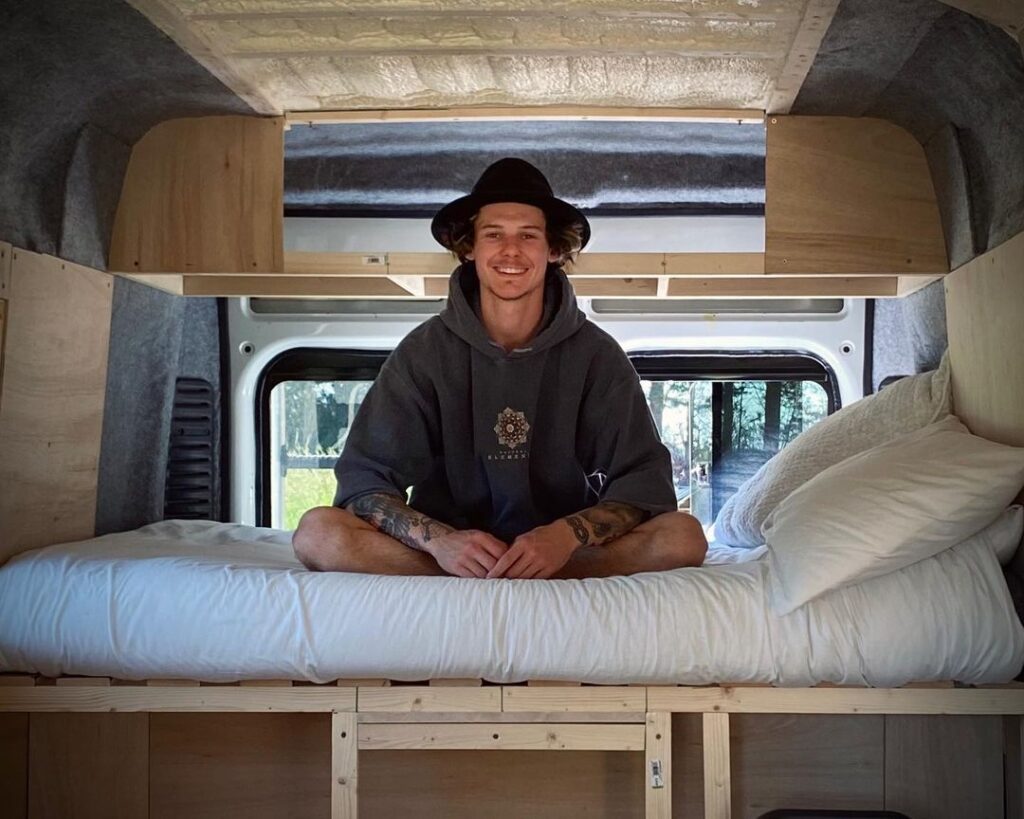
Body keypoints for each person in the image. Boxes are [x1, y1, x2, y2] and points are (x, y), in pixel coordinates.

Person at [292, 158, 707, 579]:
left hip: (561, 553)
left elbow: (645, 486)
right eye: (494, 234)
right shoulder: (423, 351)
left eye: (528, 235)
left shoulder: (596, 354)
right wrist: (440, 542)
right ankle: (477, 576)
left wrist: (565, 537)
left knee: (684, 535)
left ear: (554, 249)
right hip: (448, 552)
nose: (511, 250)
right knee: (317, 534)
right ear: (470, 247)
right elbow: (363, 485)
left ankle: (536, 575)